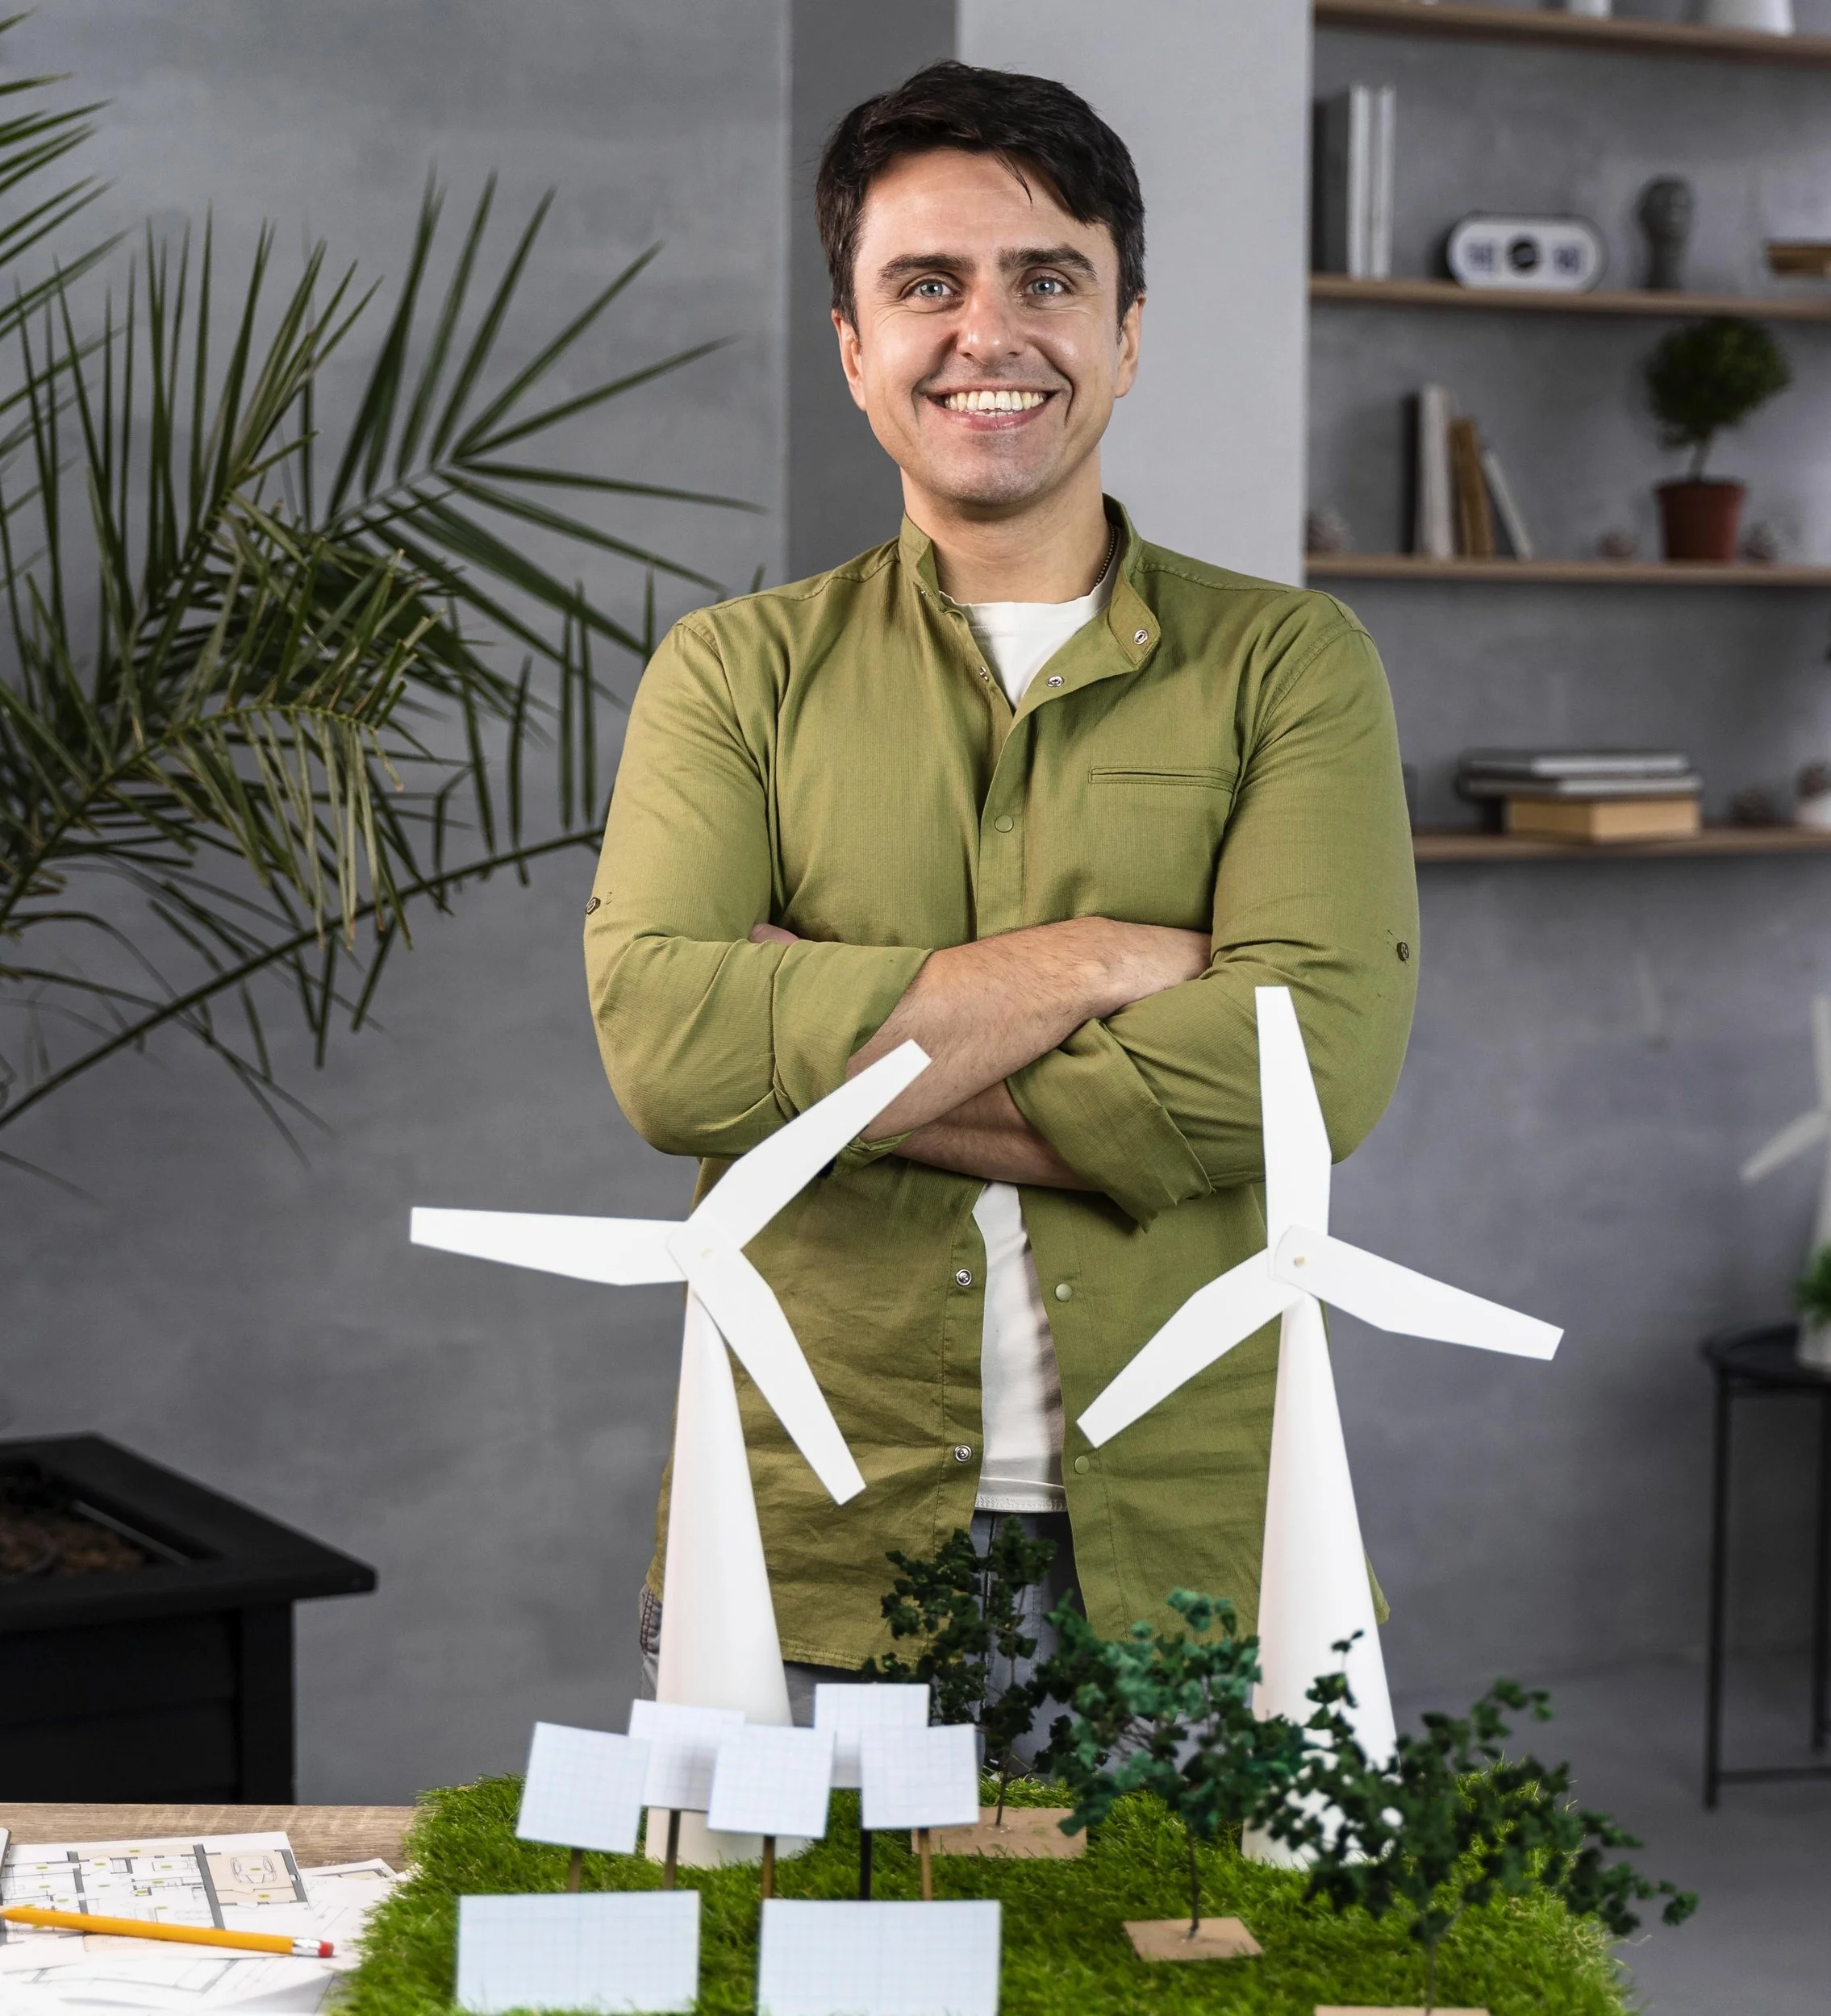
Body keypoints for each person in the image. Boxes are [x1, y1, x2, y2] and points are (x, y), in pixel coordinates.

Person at [586, 60, 1418, 1714]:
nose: (989, 333)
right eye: (926, 285)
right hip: (808, 1548)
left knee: (1189, 1970)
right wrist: (1101, 957)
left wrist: (818, 1048)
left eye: (1046, 278)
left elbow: (1311, 1064)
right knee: (813, 1976)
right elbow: (667, 1051)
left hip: (1194, 1546)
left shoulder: (1286, 664)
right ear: (854, 348)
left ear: (1124, 329)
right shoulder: (730, 674)